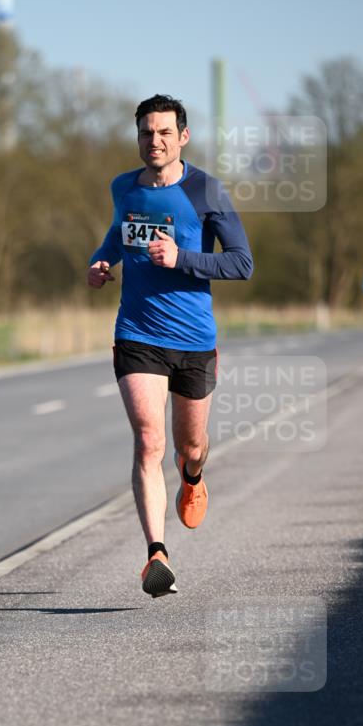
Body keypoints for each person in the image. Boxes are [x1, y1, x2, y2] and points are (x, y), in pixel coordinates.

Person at [88, 93, 253, 598]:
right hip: (137, 333)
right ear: (136, 136)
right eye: (145, 132)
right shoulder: (124, 188)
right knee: (149, 441)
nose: (153, 141)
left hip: (194, 341)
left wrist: (182, 257)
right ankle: (156, 553)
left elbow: (242, 263)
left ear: (182, 137)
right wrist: (102, 259)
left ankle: (195, 474)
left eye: (163, 133)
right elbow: (121, 233)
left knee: (189, 446)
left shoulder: (206, 191)